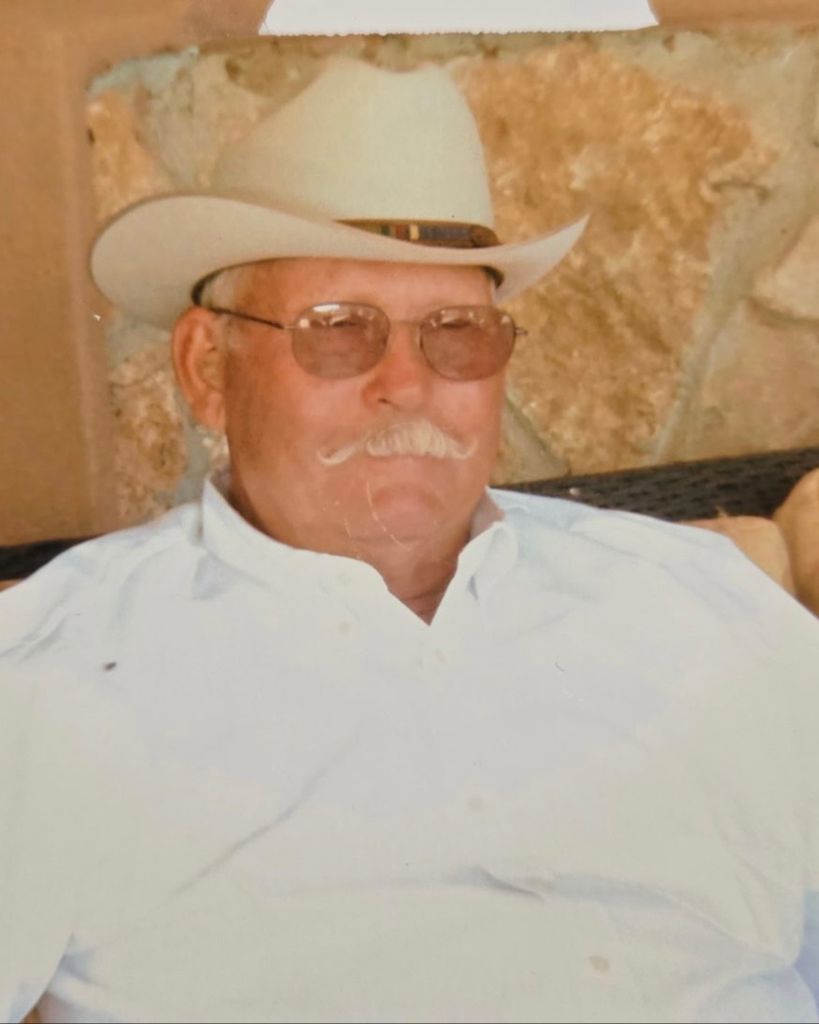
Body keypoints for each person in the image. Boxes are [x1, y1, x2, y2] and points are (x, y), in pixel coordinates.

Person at [1, 57, 818, 1024]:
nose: (407, 384)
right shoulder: (51, 680)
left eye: (456, 331)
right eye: (338, 330)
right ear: (208, 367)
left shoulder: (699, 600)